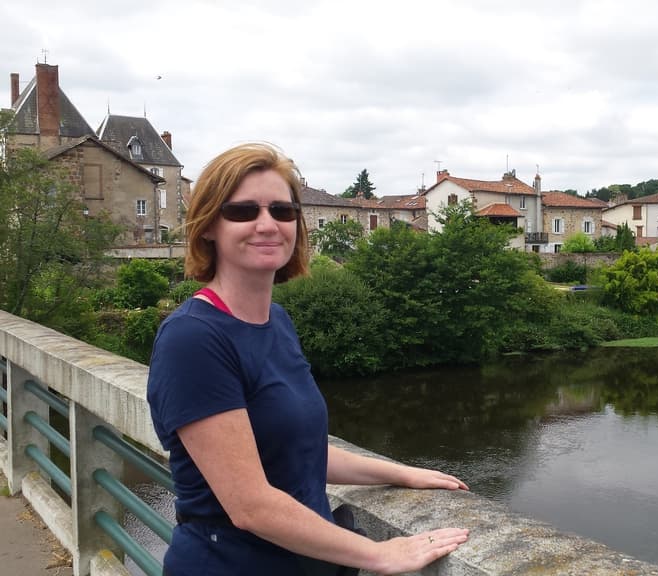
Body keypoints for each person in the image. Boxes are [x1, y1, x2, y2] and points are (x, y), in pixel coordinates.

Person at [147, 142, 470, 575]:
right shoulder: (192, 339)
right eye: (243, 211)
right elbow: (250, 506)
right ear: (209, 226)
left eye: (282, 211)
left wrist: (400, 473)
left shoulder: (276, 322)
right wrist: (380, 554)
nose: (267, 224)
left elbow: (300, 452)